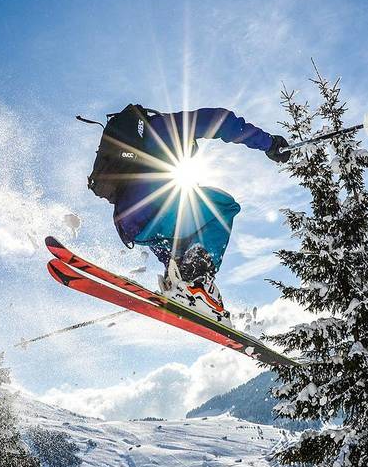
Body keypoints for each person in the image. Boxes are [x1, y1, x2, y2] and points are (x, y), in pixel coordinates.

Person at [83, 104, 290, 321]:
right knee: (223, 207)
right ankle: (196, 284)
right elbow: (220, 120)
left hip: (132, 226)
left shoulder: (139, 147)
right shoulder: (166, 128)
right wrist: (269, 143)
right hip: (154, 206)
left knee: (182, 240)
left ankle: (178, 284)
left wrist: (171, 265)